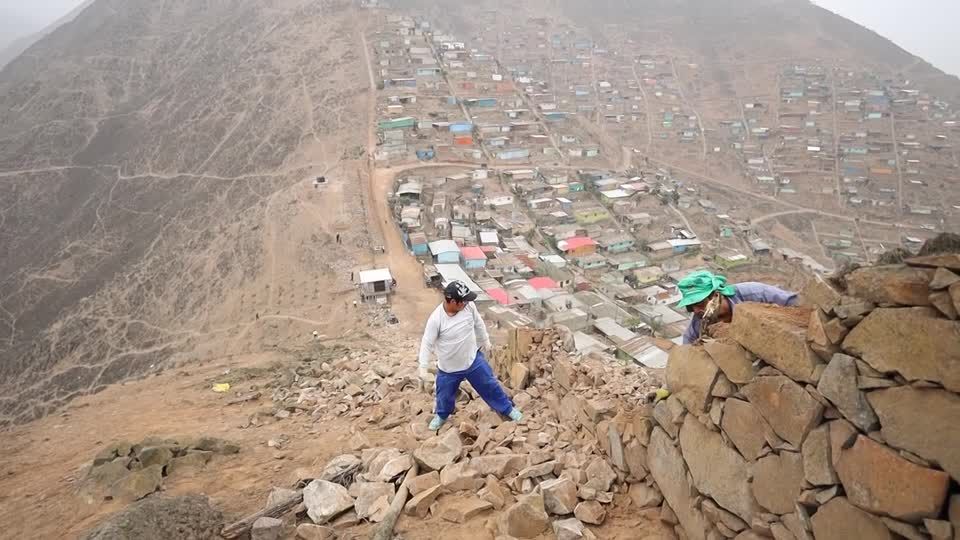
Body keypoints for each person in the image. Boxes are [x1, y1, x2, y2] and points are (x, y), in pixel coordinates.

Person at [418, 280, 523, 431]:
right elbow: (427, 343)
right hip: (448, 369)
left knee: (490, 385)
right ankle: (441, 416)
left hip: (472, 361)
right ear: (452, 301)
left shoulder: (469, 307)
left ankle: (508, 409)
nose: (467, 303)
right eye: (463, 301)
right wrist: (423, 367)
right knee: (444, 396)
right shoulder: (436, 319)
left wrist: (485, 341)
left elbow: (478, 323)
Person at [677, 270, 798, 344]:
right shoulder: (698, 323)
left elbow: (794, 303)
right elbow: (687, 348)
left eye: (700, 304)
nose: (695, 311)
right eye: (690, 307)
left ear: (716, 295)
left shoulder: (755, 293)